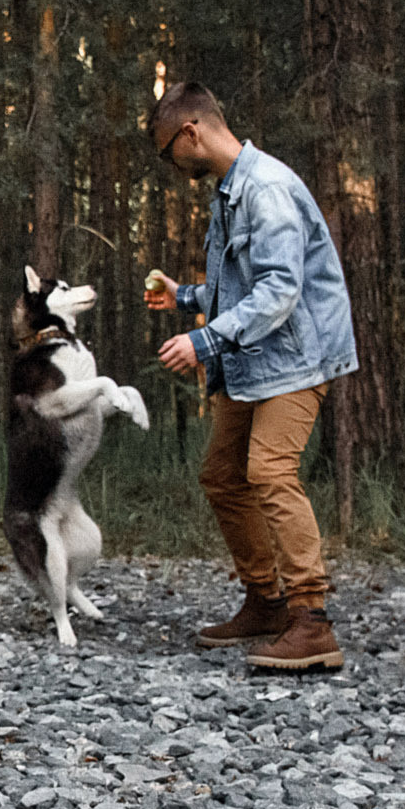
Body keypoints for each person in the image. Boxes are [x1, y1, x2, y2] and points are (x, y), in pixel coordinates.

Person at [143, 83, 357, 671]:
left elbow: (280, 292)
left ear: (191, 132)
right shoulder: (231, 193)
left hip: (297, 356)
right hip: (255, 358)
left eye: (169, 152)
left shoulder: (265, 188)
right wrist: (184, 298)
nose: (171, 165)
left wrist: (202, 340)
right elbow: (242, 285)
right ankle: (265, 601)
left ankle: (311, 621)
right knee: (223, 475)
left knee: (268, 469)